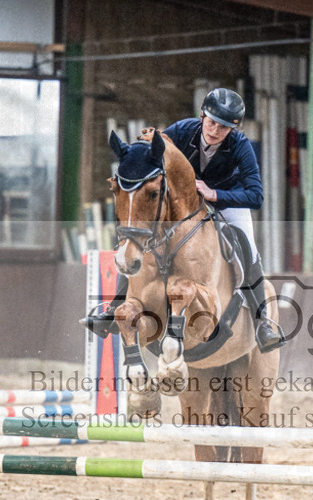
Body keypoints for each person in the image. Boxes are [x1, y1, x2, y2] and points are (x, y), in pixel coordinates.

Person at [82, 87, 286, 353]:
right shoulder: (182, 130)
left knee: (247, 245)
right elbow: (153, 153)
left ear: (232, 129)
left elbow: (255, 195)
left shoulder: (240, 145)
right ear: (202, 115)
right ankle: (112, 308)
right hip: (185, 204)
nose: (214, 131)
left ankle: (263, 323)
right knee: (141, 238)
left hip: (225, 202)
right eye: (211, 122)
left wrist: (214, 193)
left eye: (223, 128)